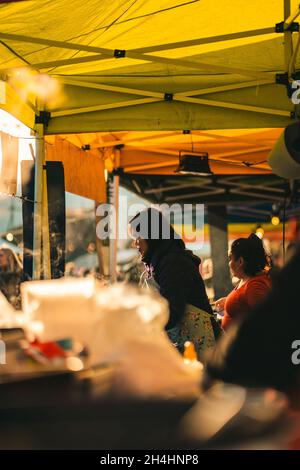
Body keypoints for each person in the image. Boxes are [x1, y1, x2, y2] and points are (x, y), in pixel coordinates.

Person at [129, 207, 221, 360]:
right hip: (183, 342)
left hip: (201, 347)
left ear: (151, 235)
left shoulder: (173, 263)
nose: (135, 243)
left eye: (138, 236)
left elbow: (171, 311)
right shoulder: (160, 261)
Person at [215, 234, 272, 331]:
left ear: (240, 261)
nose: (229, 263)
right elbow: (244, 305)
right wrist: (228, 302)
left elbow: (265, 321)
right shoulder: (246, 280)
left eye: (230, 259)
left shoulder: (255, 286)